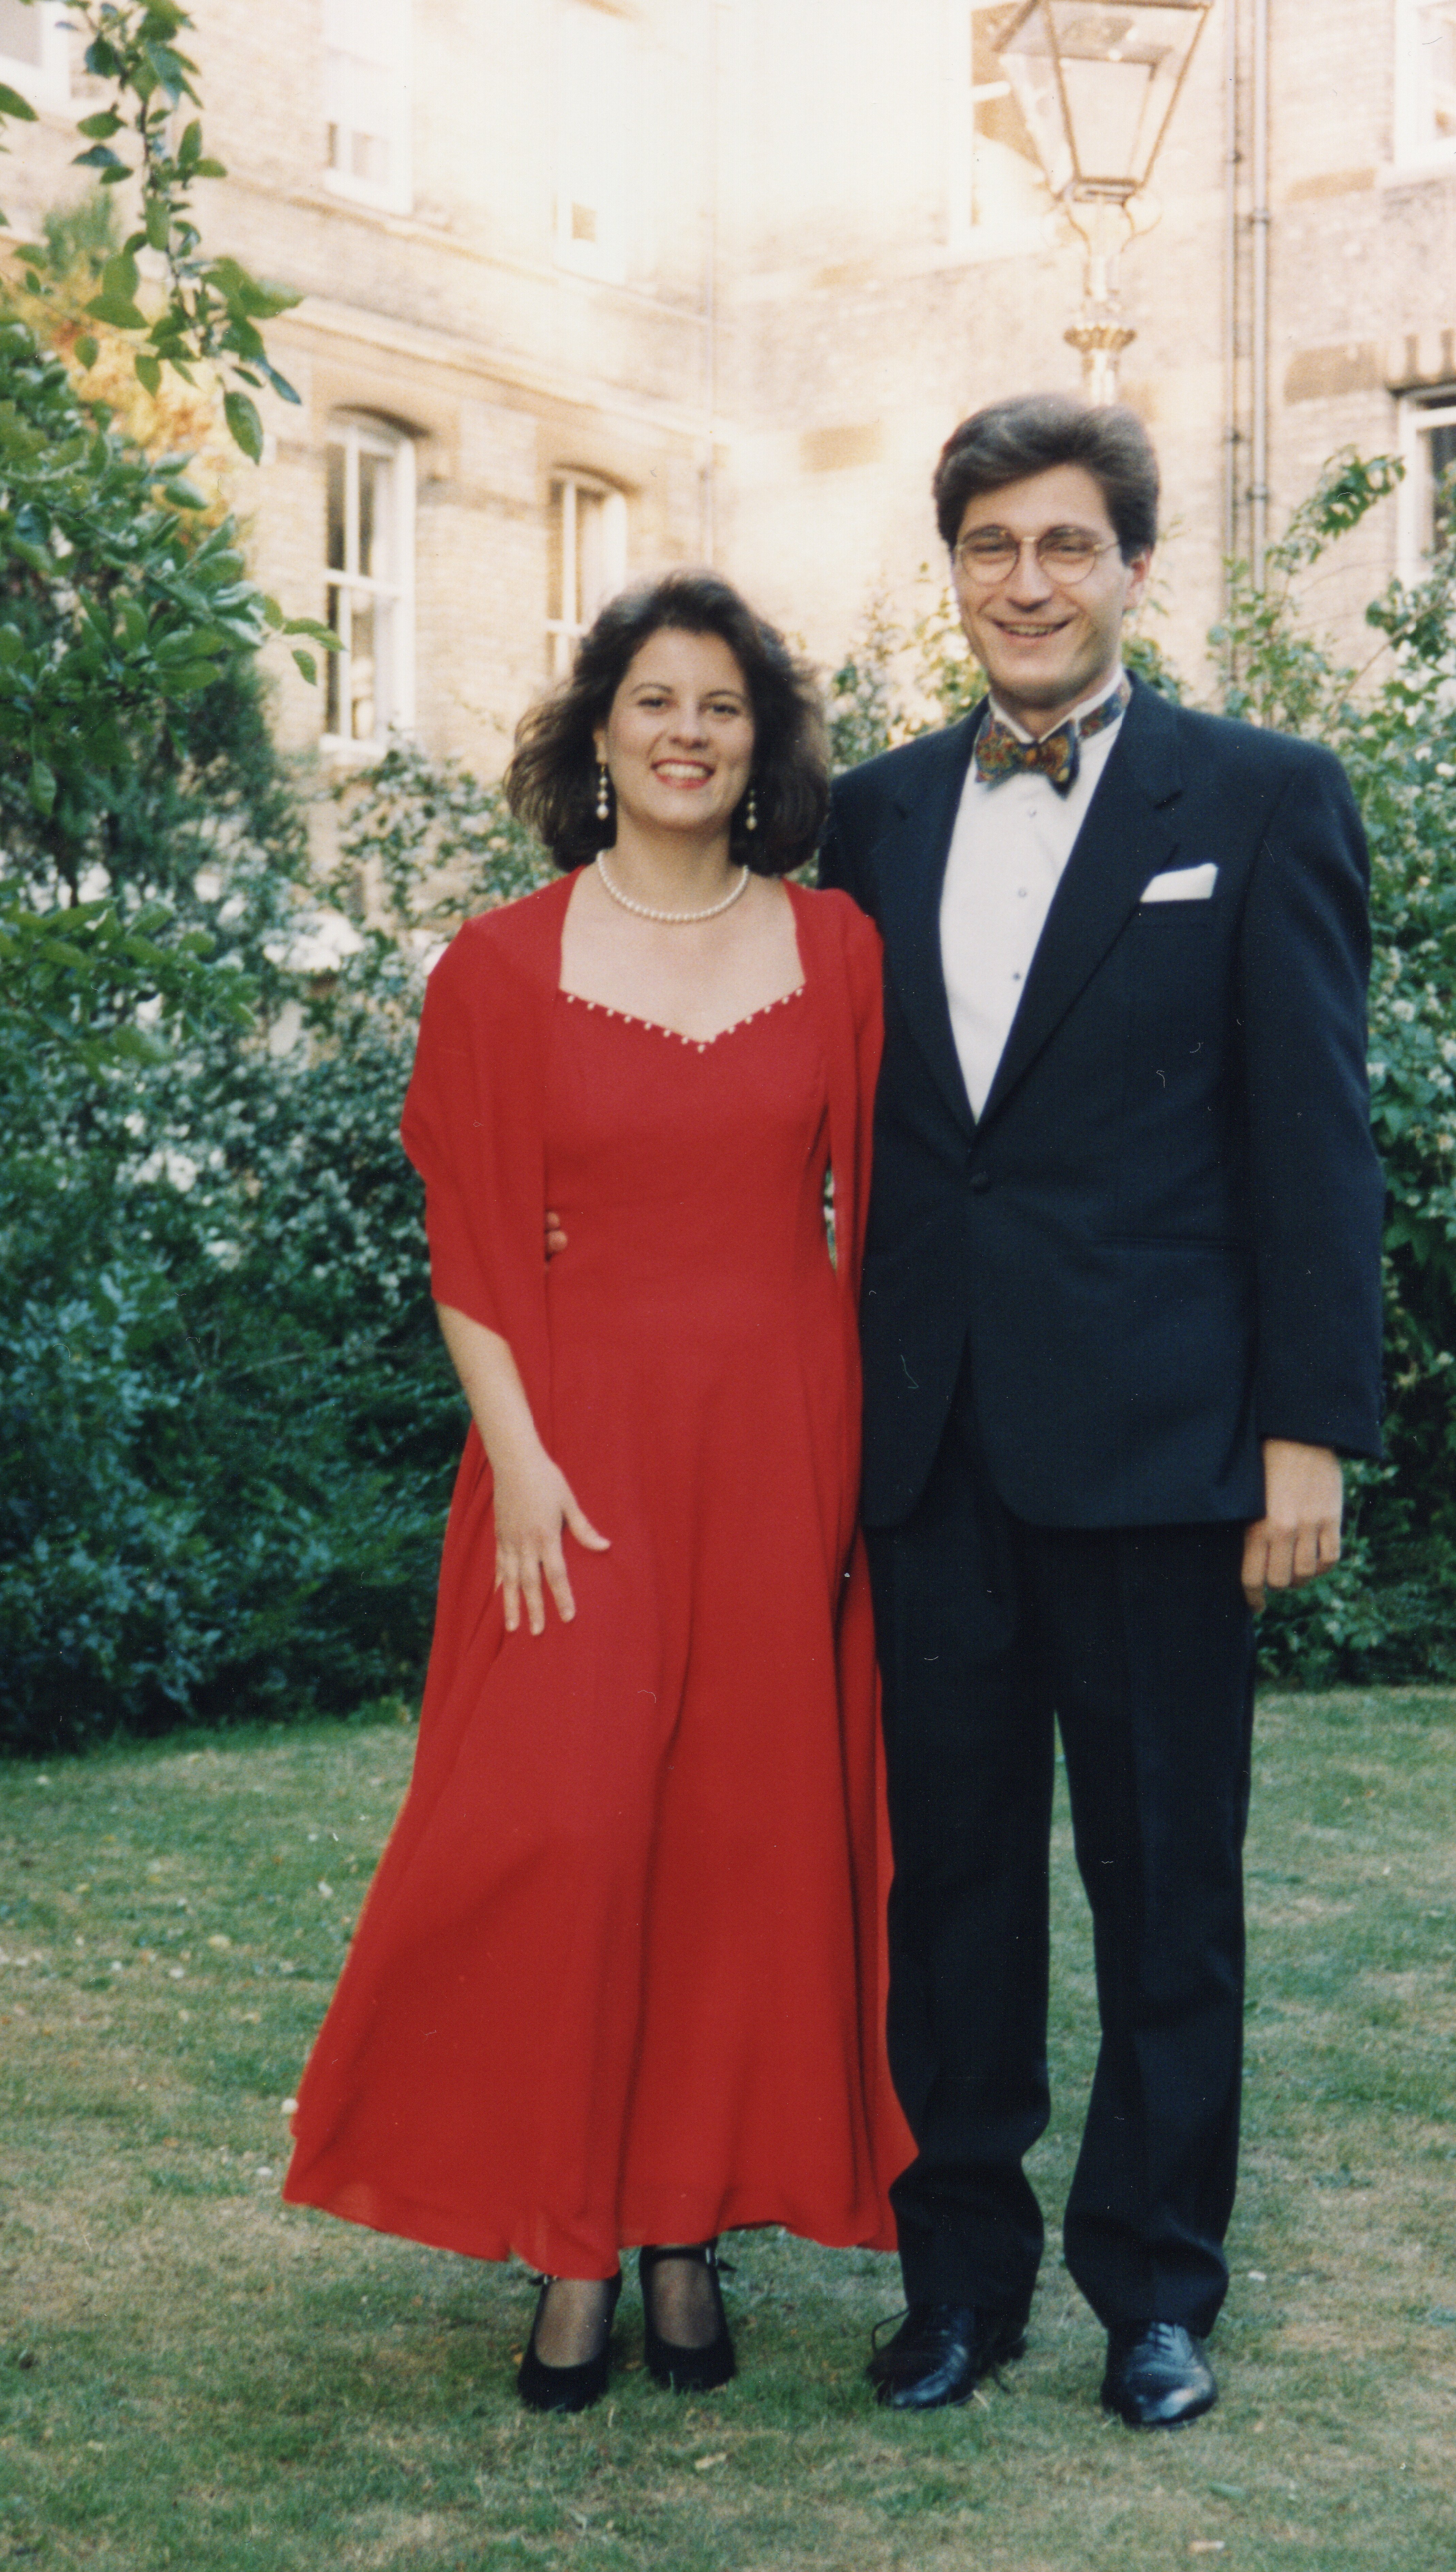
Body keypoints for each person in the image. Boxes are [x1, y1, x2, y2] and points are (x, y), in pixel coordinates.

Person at [284, 570, 910, 2415]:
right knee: (564, 1836)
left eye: (722, 705)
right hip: (572, 1462)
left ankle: (686, 2232)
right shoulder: (498, 964)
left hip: (782, 1450)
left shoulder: (843, 951)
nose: (688, 734)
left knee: (735, 1843)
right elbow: (471, 1245)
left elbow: (867, 1225)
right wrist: (524, 1464)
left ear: (762, 741)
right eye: (655, 701)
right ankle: (568, 2240)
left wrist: (855, 1478)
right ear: (599, 730)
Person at [818, 393, 1384, 2427]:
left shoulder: (1262, 796)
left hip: (1165, 1450)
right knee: (950, 1884)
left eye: (1067, 546)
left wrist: (1305, 1431)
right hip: (937, 1450)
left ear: (1135, 566)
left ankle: (1157, 2286)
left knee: (1167, 1882)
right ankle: (956, 2285)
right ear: (953, 569)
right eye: (991, 548)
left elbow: (1315, 1139)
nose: (1027, 585)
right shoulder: (870, 819)